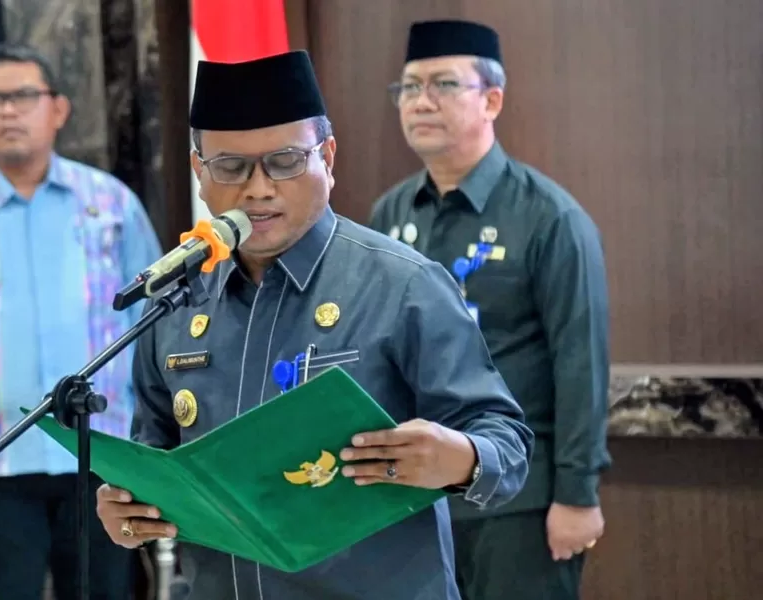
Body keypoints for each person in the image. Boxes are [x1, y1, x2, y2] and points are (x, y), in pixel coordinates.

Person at [94, 49, 534, 600]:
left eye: (284, 162)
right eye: (230, 167)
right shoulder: (178, 298)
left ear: (326, 157)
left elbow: (506, 443)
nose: (257, 188)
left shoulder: (403, 285)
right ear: (199, 173)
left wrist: (462, 459)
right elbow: (154, 453)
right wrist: (128, 508)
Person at [0, 42, 162, 600]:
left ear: (58, 109)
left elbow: (154, 323)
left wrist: (155, 437)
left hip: (103, 456)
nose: (8, 111)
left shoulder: (112, 205)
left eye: (23, 96)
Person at [369, 19, 611, 600]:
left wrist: (577, 495)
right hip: (413, 499)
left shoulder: (549, 218)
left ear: (492, 100)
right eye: (409, 87)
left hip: (517, 501)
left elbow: (580, 362)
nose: (421, 101)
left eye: (444, 84)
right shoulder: (388, 216)